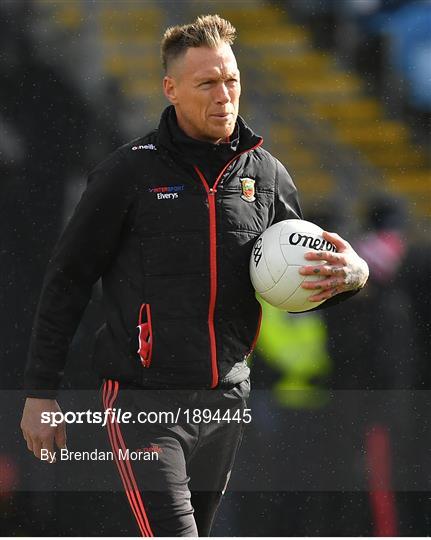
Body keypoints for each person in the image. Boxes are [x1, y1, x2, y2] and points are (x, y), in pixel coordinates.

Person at [20, 15, 369, 537]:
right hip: (143, 398)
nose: (224, 94)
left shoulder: (267, 175)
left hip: (229, 397)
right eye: (207, 83)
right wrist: (39, 393)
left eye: (231, 80)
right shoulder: (128, 173)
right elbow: (68, 278)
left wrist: (354, 274)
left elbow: (304, 282)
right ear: (171, 89)